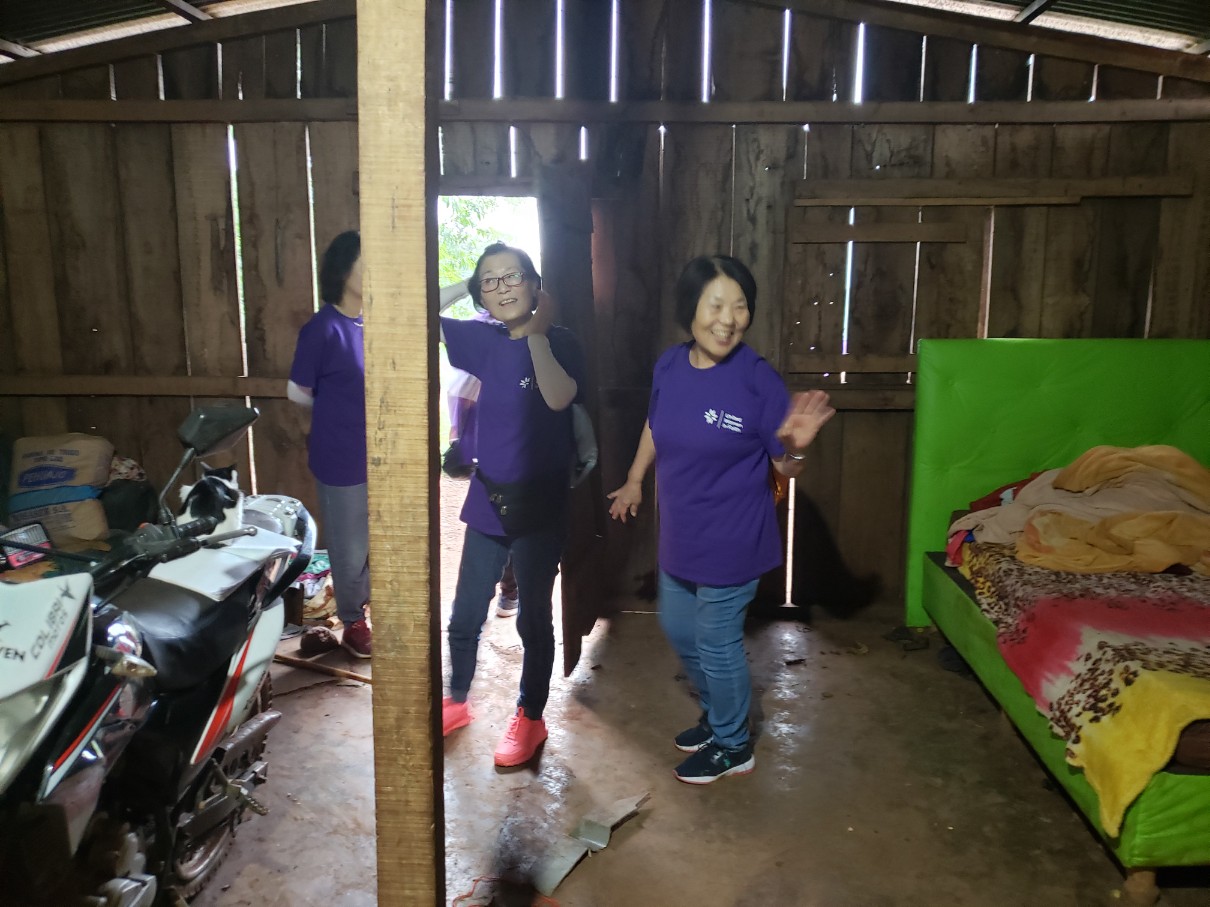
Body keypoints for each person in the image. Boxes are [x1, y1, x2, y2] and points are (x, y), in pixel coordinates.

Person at [607, 254, 835, 785]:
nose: (729, 319)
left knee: (716, 643)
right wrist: (636, 478)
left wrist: (796, 447)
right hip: (682, 533)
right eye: (716, 305)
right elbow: (655, 424)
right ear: (690, 309)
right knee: (678, 629)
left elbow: (785, 467)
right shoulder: (670, 365)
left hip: (734, 539)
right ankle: (719, 716)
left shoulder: (758, 382)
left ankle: (734, 745)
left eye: (740, 306)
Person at [439, 242, 585, 767]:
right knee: (464, 613)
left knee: (533, 620)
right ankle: (456, 699)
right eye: (490, 280)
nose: (502, 287)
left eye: (513, 276)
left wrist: (537, 333)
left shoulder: (561, 341)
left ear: (535, 285)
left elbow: (558, 397)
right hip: (488, 498)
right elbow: (413, 309)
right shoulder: (480, 340)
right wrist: (465, 285)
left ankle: (531, 717)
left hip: (540, 505)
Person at [287, 231, 373, 658]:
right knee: (349, 547)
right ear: (343, 271)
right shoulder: (323, 328)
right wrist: (333, 414)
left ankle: (373, 609)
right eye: (365, 261)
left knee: (378, 540)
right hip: (340, 455)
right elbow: (297, 392)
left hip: (382, 455)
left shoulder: (375, 322)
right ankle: (354, 621)